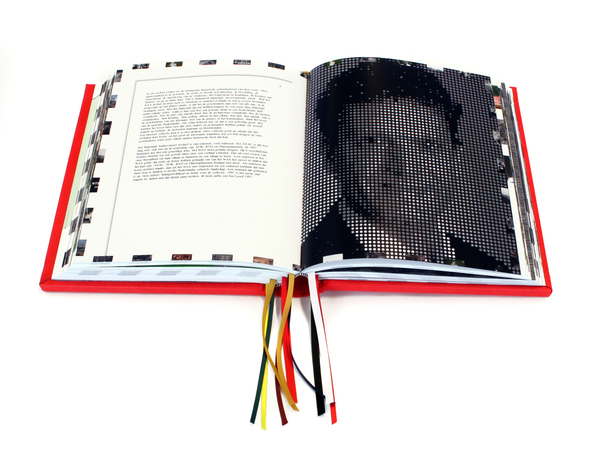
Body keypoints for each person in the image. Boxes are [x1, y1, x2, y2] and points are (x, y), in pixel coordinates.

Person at [300, 59, 508, 272]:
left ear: (454, 158)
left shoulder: (492, 269)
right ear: (331, 156)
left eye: (428, 145)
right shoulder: (311, 263)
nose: (406, 167)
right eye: (373, 142)